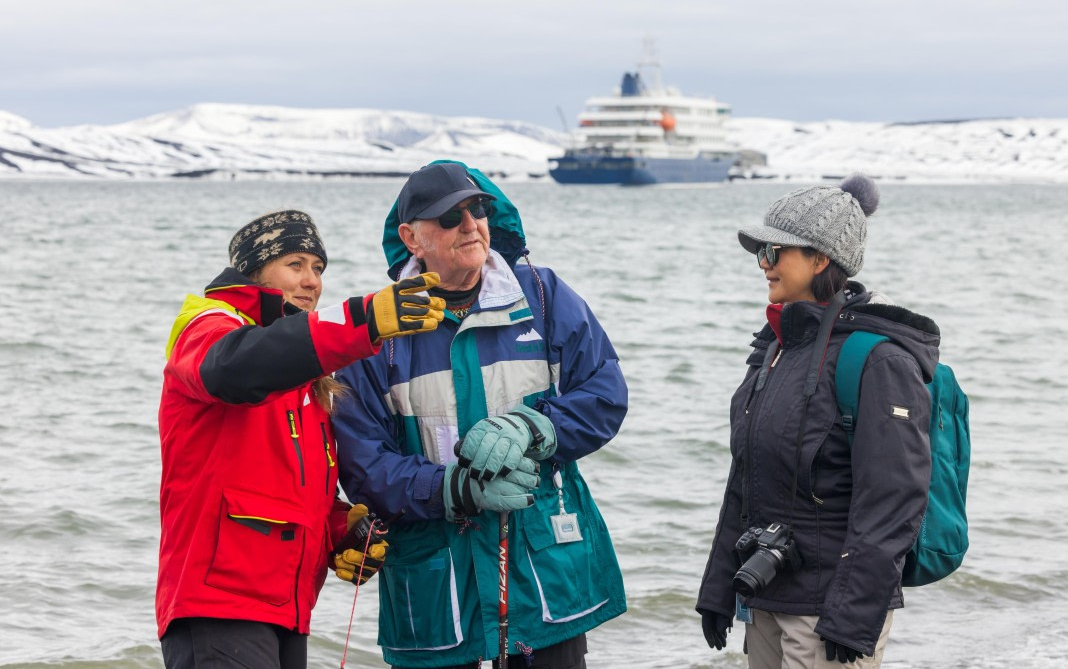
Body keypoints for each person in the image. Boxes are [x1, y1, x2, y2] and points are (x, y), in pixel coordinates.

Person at [333, 160, 628, 669]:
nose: (470, 225)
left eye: (478, 210)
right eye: (450, 217)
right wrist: (453, 489)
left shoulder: (543, 294)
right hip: (435, 592)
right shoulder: (374, 333)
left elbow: (604, 394)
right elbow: (363, 467)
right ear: (411, 237)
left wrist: (536, 427)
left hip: (542, 580)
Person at [157, 209, 446, 669]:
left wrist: (341, 532)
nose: (312, 281)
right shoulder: (208, 327)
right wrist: (363, 319)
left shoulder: (304, 376)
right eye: (295, 264)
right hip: (219, 603)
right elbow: (232, 370)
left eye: (318, 268)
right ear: (254, 272)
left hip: (287, 608)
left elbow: (287, 490)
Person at [695, 175, 937, 668]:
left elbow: (894, 498)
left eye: (774, 251)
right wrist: (719, 586)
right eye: (760, 252)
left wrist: (853, 615)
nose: (763, 264)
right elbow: (746, 479)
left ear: (821, 259)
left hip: (830, 613)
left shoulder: (878, 360)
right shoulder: (776, 348)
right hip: (764, 596)